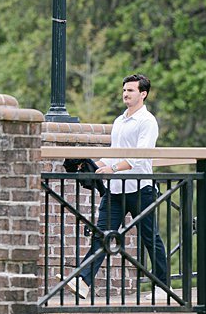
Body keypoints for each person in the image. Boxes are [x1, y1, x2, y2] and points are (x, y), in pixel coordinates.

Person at [70, 73, 171, 297]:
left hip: (140, 189)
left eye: (131, 90)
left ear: (143, 94)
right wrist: (94, 166)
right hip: (116, 190)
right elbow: (113, 154)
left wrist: (113, 169)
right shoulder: (119, 121)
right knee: (101, 235)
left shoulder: (147, 121)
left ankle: (163, 286)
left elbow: (139, 157)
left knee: (150, 237)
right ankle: (83, 281)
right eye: (124, 90)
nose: (126, 93)